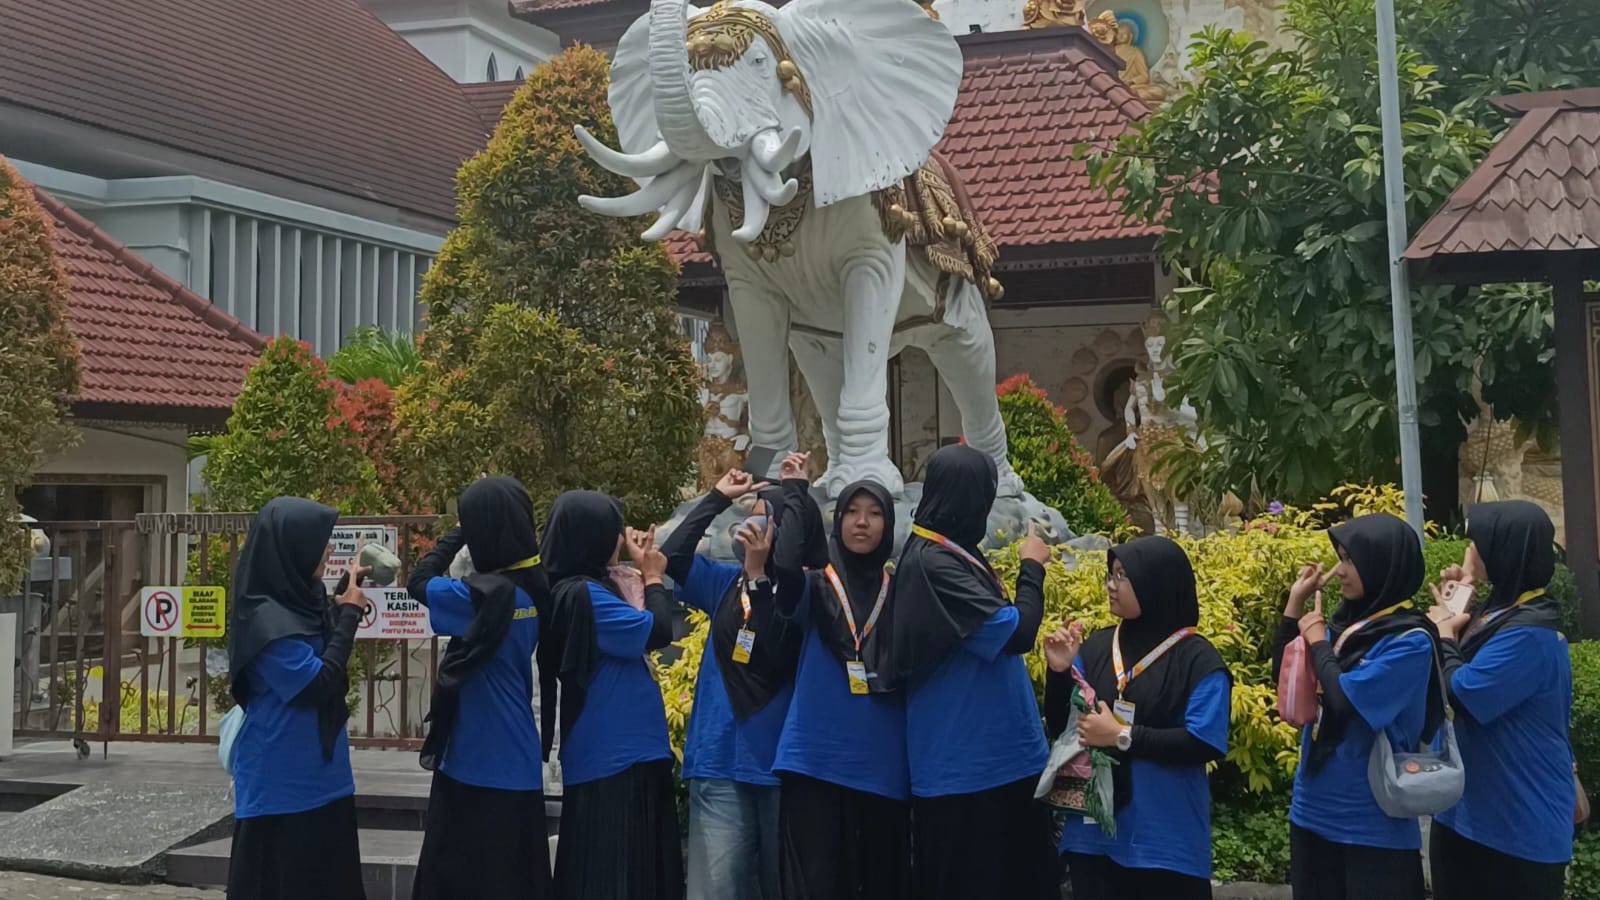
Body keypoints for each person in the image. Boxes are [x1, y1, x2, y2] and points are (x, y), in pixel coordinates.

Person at [888, 444, 1056, 899]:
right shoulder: (932, 562)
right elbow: (1016, 633)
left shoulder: (950, 552)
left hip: (1001, 763)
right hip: (966, 772)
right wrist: (1031, 568)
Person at [658, 463, 820, 900]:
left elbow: (774, 635)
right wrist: (716, 498)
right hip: (718, 762)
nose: (751, 519)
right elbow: (671, 558)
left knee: (781, 888)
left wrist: (762, 569)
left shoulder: (808, 589)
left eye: (765, 511)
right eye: (751, 509)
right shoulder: (724, 584)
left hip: (778, 767)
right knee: (716, 891)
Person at [1049, 536, 1230, 900]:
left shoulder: (1198, 660)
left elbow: (1202, 743)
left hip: (1162, 842)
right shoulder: (1097, 646)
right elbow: (1062, 725)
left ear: (1155, 583)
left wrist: (1121, 736)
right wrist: (1058, 672)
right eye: (1110, 574)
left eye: (1122, 576)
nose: (1110, 585)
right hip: (1092, 836)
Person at [1272, 513, 1443, 900]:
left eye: (1351, 560)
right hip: (1312, 812)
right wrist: (1294, 607)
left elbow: (1345, 701)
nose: (1342, 571)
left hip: (1371, 825)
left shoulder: (1409, 640)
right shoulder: (1344, 627)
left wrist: (1318, 643)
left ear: (1382, 565)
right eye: (1342, 557)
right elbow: (1285, 681)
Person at [770, 457, 912, 900]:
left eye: (874, 513)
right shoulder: (816, 585)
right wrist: (795, 492)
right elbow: (786, 567)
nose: (862, 522)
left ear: (888, 525)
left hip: (881, 764)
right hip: (816, 759)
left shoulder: (903, 587)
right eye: (852, 511)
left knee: (881, 882)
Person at [406, 476, 552, 900]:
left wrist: (457, 532)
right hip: (518, 757)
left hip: (473, 756)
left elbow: (419, 580)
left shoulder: (478, 599)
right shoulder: (536, 589)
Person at [225, 497, 372, 900]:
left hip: (325, 781)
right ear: (291, 548)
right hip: (282, 789)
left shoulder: (301, 600)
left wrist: (341, 598)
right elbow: (316, 683)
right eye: (319, 541)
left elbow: (323, 643)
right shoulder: (266, 623)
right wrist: (349, 617)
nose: (327, 549)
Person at [538, 491, 682, 900]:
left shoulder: (570, 588)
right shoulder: (583, 595)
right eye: (612, 533)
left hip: (616, 751)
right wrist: (653, 574)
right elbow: (656, 631)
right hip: (619, 755)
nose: (619, 541)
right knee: (620, 874)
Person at [1427, 501, 1573, 900]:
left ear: (1504, 550)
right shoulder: (1502, 609)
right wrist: (1462, 593)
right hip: (1466, 815)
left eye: (1478, 541)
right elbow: (1451, 650)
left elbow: (1468, 692)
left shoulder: (1531, 632)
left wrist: (1443, 633)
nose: (1470, 548)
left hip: (1518, 826)